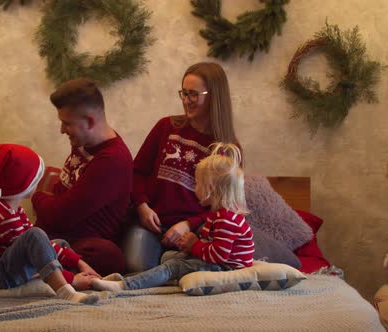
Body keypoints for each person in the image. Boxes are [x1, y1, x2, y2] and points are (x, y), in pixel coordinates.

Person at [123, 62, 242, 273]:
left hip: (194, 232)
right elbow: (137, 171)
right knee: (137, 267)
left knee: (179, 269)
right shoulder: (165, 127)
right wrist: (142, 206)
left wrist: (188, 224)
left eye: (194, 94)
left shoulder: (226, 147)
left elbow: (226, 203)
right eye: (184, 93)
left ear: (214, 96)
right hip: (150, 223)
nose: (187, 101)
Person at [92, 143, 253, 291]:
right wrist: (191, 245)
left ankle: (124, 285)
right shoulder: (217, 214)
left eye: (197, 183)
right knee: (169, 256)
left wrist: (194, 244)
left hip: (224, 268)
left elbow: (219, 256)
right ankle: (136, 279)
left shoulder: (226, 219)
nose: (194, 188)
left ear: (210, 189)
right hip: (214, 261)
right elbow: (210, 243)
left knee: (173, 265)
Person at [0, 144, 100, 304]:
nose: (38, 183)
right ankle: (66, 290)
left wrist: (80, 262)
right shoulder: (4, 216)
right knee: (36, 236)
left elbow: (41, 246)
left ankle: (85, 278)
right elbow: (32, 248)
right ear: (24, 184)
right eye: (36, 179)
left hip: (5, 261)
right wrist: (71, 279)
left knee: (57, 243)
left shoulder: (14, 210)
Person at [32, 78, 133, 276]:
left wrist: (37, 196)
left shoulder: (112, 160)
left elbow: (61, 216)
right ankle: (39, 258)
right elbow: (61, 204)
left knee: (109, 255)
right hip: (54, 234)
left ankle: (42, 263)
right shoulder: (82, 140)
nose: (62, 130)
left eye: (66, 123)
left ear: (89, 121)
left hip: (79, 241)